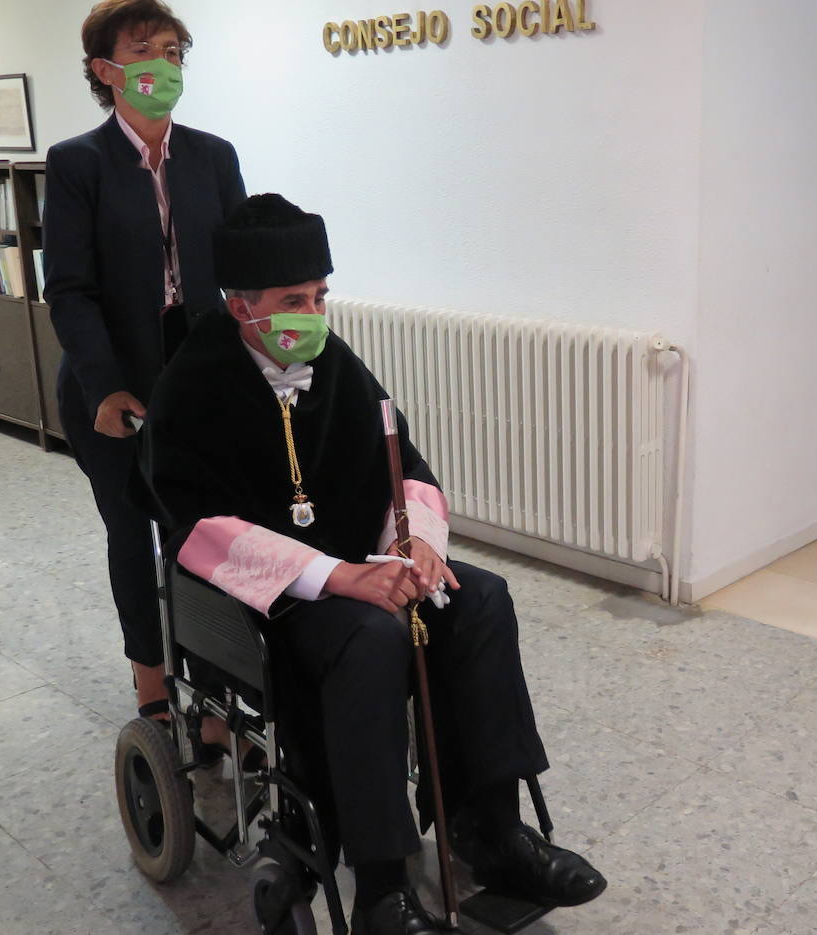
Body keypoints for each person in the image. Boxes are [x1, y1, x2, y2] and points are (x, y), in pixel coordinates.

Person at [139, 194, 606, 934]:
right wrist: (335, 576)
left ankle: (490, 827)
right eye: (294, 300)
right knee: (372, 635)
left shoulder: (334, 361)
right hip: (273, 600)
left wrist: (413, 537)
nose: (314, 313)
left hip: (363, 564)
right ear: (240, 306)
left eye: (320, 295)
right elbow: (197, 524)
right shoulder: (192, 386)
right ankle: (381, 887)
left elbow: (404, 459)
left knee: (481, 598)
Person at [43, 0, 247, 720]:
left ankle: (219, 683)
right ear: (106, 69)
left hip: (195, 376)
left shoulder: (212, 157)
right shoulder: (77, 164)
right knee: (133, 533)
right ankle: (153, 682)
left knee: (204, 533)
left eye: (174, 52)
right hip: (111, 383)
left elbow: (239, 271)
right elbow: (68, 288)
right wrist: (103, 388)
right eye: (144, 52)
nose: (163, 65)